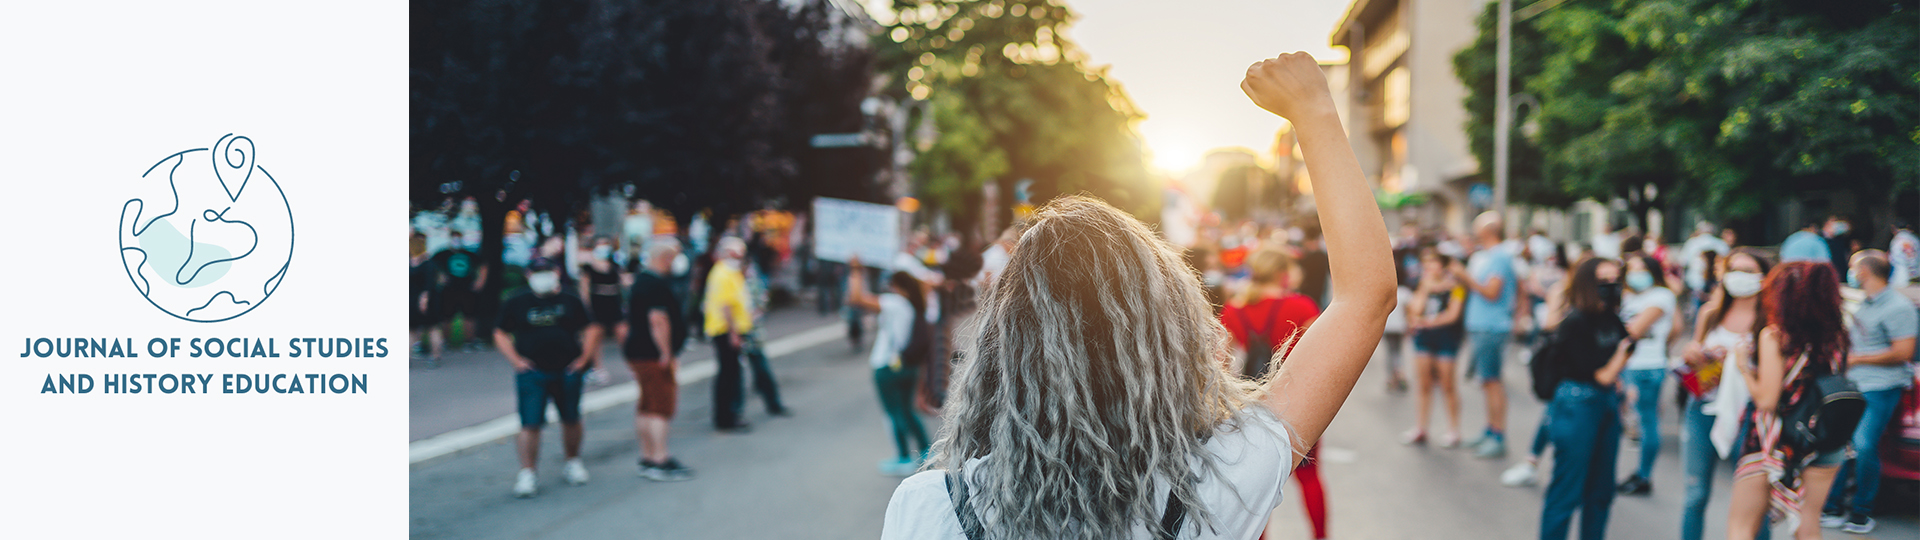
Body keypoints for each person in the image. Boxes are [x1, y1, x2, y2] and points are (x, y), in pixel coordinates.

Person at [880, 52, 1397, 539]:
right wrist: (1313, 110)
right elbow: (1366, 296)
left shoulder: (930, 505)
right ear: (1168, 336)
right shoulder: (1220, 481)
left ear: (1002, 348)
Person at [1725, 262, 1851, 540]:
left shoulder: (1775, 336)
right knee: (1808, 525)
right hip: (1825, 437)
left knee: (1741, 526)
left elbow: (1767, 400)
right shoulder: (1838, 337)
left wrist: (1745, 368)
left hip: (1776, 440)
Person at [1220, 247, 1327, 540]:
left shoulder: (1234, 309)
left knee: (1258, 484)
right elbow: (1322, 357)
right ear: (1283, 273)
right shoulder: (1303, 306)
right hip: (1301, 402)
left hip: (1253, 407)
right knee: (1309, 477)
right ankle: (1320, 536)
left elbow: (1223, 364)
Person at [1676, 248, 1774, 540]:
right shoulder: (1710, 314)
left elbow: (1775, 376)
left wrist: (1743, 362)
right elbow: (1696, 365)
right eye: (1734, 269)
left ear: (1763, 277)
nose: (1739, 277)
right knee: (1695, 495)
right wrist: (1695, 355)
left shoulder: (1770, 321)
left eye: (1747, 270)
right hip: (1703, 407)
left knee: (1754, 502)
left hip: (1751, 416)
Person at [1536, 256, 1633, 540]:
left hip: (1605, 404)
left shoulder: (1610, 318)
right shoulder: (1575, 322)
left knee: (1601, 491)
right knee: (1567, 490)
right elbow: (1602, 373)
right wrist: (1621, 359)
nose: (1611, 286)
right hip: (1577, 405)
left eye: (1615, 280)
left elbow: (1618, 358)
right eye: (1603, 281)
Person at [1820, 250, 1915, 533]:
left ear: (1863, 272)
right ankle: (1832, 508)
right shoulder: (1866, 304)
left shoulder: (1898, 307)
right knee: (1838, 444)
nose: (1849, 273)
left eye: (1852, 268)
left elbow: (1903, 351)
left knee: (1863, 445)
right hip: (1854, 384)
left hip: (1881, 387)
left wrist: (1858, 359)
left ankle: (1861, 512)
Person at [494, 258, 599, 498]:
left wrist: (583, 360)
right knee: (530, 423)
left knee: (571, 418)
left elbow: (591, 327)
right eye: (537, 272)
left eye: (547, 271)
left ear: (556, 272)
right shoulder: (517, 301)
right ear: (528, 274)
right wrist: (516, 361)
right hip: (533, 371)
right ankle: (528, 472)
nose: (543, 276)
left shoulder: (570, 299)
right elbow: (500, 332)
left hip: (567, 368)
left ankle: (573, 461)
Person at [848, 264, 934, 477]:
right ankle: (925, 451)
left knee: (894, 412)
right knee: (907, 410)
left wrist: (855, 270)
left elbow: (856, 298)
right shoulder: (914, 305)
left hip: (887, 366)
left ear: (897, 286)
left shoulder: (895, 303)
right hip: (908, 365)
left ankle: (904, 456)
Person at [622, 240, 694, 482]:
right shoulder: (655, 285)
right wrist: (667, 354)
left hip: (638, 352)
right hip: (653, 355)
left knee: (646, 405)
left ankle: (647, 456)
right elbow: (658, 321)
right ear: (665, 258)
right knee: (660, 407)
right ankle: (659, 459)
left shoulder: (641, 281)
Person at [1451, 212, 1521, 458]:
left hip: (1491, 326)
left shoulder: (1499, 257)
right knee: (1487, 381)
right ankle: (1490, 430)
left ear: (1490, 230)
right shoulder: (1491, 256)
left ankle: (1497, 434)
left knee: (1492, 381)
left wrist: (1464, 276)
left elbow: (1492, 292)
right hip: (1483, 325)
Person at [704, 237, 785, 432]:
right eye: (736, 254)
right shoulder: (724, 274)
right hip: (726, 331)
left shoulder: (728, 272)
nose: (740, 258)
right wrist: (734, 333)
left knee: (732, 374)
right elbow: (726, 306)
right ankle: (726, 417)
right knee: (729, 376)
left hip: (735, 330)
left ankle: (730, 415)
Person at [1615, 254, 1677, 496]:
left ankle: (1644, 475)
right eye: (1631, 269)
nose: (1636, 273)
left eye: (1641, 268)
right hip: (1630, 364)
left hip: (1647, 366)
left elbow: (1634, 330)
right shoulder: (1629, 296)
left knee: (1647, 421)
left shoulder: (1661, 295)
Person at [1406, 249, 1466, 447]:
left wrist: (1427, 322)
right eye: (1426, 263)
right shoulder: (1423, 284)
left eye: (1434, 262)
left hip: (1447, 338)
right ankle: (1421, 427)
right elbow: (1415, 309)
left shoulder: (1456, 286)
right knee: (1423, 383)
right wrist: (1426, 288)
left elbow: (1453, 314)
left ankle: (1453, 429)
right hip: (1424, 339)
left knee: (1447, 383)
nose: (1429, 267)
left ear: (1443, 264)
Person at [434, 230, 491, 351]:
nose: (456, 240)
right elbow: (431, 266)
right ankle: (446, 341)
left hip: (467, 289)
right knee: (446, 316)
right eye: (453, 237)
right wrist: (439, 277)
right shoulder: (442, 254)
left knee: (469, 316)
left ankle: (469, 341)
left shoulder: (469, 254)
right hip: (449, 290)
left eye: (458, 237)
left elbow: (483, 265)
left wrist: (480, 282)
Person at [579, 236, 625, 361]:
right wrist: (587, 306)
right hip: (598, 302)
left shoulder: (614, 265)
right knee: (596, 335)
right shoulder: (588, 267)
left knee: (623, 332)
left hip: (614, 300)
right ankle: (595, 367)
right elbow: (584, 288)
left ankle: (632, 362)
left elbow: (622, 282)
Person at [410, 232, 446, 366]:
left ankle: (411, 357)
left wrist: (423, 299)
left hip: (418, 299)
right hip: (422, 299)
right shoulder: (428, 263)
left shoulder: (413, 264)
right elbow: (432, 282)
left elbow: (429, 283)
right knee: (431, 328)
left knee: (414, 330)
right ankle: (435, 357)